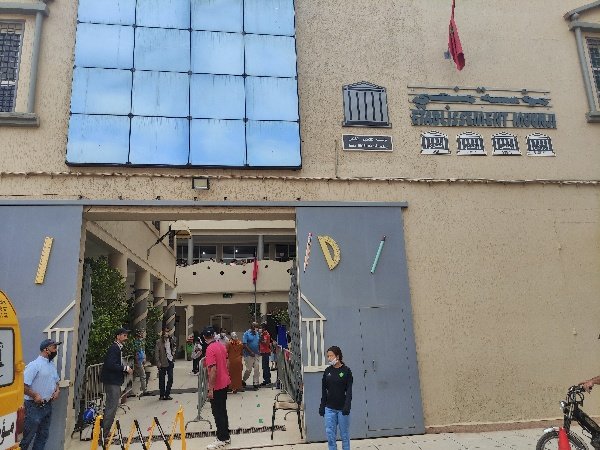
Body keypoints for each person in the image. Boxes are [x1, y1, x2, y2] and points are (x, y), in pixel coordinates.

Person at [21, 338, 61, 449]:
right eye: (54, 347)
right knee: (27, 438)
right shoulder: (34, 365)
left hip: (47, 406)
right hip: (34, 407)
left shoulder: (51, 365)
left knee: (42, 436)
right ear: (46, 349)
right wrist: (34, 395)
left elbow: (56, 382)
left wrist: (57, 390)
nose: (56, 350)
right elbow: (22, 386)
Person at [100, 328, 133, 441]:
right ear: (118, 336)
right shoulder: (114, 348)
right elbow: (110, 365)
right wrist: (125, 368)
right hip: (111, 381)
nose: (126, 338)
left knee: (112, 406)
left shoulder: (118, 348)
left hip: (114, 380)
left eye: (126, 335)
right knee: (112, 406)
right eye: (124, 335)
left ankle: (106, 430)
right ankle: (104, 434)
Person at [202, 327, 231, 449]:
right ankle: (226, 435)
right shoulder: (221, 345)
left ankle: (221, 438)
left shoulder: (209, 349)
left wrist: (210, 389)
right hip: (225, 381)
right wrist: (225, 373)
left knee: (217, 412)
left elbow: (213, 370)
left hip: (217, 385)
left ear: (204, 337)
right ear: (214, 335)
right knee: (223, 410)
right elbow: (227, 362)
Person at [319, 346, 353, 450]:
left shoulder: (346, 371)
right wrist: (322, 406)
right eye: (327, 356)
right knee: (330, 435)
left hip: (342, 409)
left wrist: (347, 406)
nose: (329, 358)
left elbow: (349, 391)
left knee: (344, 435)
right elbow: (324, 390)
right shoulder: (327, 371)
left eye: (331, 356)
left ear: (337, 356)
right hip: (329, 409)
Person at [155, 326, 175, 400]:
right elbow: (156, 353)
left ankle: (167, 394)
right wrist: (158, 362)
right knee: (162, 379)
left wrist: (173, 354)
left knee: (170, 378)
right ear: (163, 332)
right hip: (162, 362)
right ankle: (161, 395)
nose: (167, 333)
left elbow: (173, 347)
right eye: (166, 331)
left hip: (170, 360)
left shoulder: (171, 340)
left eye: (168, 331)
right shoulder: (159, 341)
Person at [242, 322, 260, 390]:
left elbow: (258, 342)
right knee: (248, 369)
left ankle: (256, 383)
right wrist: (250, 352)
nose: (257, 328)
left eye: (257, 327)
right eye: (256, 327)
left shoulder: (257, 334)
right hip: (248, 355)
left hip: (256, 354)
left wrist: (259, 350)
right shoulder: (246, 334)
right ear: (252, 327)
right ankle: (243, 380)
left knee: (256, 368)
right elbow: (244, 344)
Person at [132, 329, 149, 396]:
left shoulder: (140, 342)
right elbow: (136, 352)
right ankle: (144, 390)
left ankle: (131, 391)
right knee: (143, 375)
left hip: (140, 360)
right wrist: (138, 360)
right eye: (141, 333)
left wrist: (144, 358)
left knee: (134, 376)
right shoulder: (135, 342)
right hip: (138, 361)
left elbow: (142, 351)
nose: (142, 334)